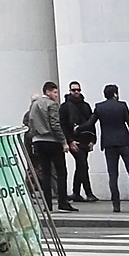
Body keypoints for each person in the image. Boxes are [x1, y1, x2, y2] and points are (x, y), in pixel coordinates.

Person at [23, 79, 73, 212]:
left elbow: (30, 121)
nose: (56, 95)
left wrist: (34, 136)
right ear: (48, 91)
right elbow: (55, 124)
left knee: (45, 173)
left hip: (38, 141)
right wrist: (63, 142)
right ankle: (63, 202)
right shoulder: (52, 105)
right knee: (61, 171)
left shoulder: (34, 105)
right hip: (52, 141)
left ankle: (47, 204)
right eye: (55, 92)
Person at [96, 85, 129, 213]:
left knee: (113, 175)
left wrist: (78, 129)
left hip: (109, 144)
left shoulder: (99, 107)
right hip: (125, 143)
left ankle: (116, 204)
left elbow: (90, 122)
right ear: (115, 94)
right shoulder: (122, 106)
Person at [60, 81, 98, 203]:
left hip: (85, 140)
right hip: (74, 141)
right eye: (74, 90)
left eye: (78, 90)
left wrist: (92, 140)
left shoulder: (85, 106)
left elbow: (91, 123)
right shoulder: (65, 107)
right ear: (70, 91)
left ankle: (76, 193)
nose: (76, 92)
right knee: (83, 165)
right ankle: (88, 193)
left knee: (81, 165)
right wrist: (70, 141)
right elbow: (63, 125)